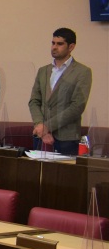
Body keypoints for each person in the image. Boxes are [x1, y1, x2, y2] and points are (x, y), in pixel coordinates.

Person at [28, 28, 92, 156]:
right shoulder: (43, 71)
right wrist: (40, 125)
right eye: (53, 43)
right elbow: (34, 101)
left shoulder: (82, 72)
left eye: (60, 44)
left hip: (66, 137)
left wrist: (48, 127)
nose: (54, 47)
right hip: (41, 134)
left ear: (71, 47)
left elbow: (76, 106)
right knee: (39, 173)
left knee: (63, 175)